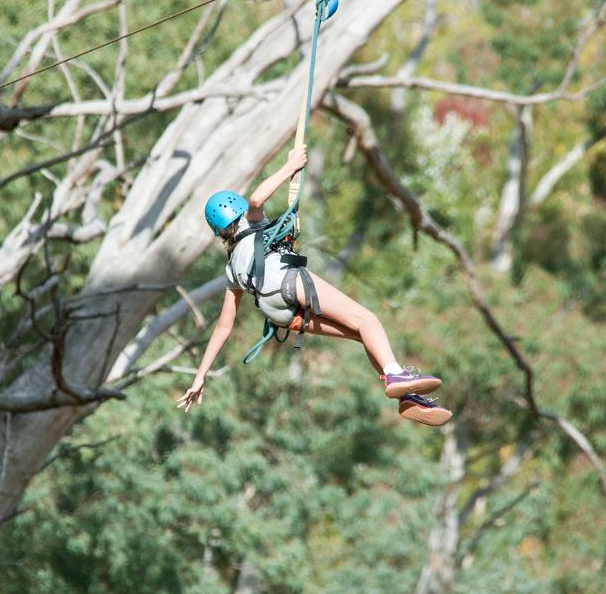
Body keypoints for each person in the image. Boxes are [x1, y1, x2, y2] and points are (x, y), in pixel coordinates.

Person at [175, 143, 452, 426]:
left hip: (278, 313)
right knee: (367, 319)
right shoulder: (251, 222)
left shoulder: (232, 265)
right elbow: (257, 200)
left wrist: (200, 376)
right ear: (238, 209)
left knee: (360, 332)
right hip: (285, 279)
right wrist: (291, 165)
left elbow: (223, 327)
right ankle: (394, 374)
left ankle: (405, 396)